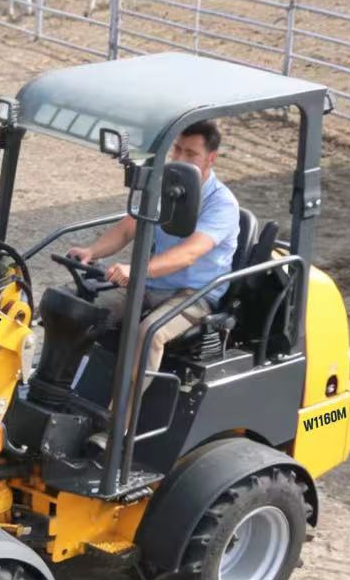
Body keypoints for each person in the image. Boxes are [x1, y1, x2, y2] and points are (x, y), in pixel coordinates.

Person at [65, 119, 241, 392]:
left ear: (211, 158)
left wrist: (135, 271)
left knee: (150, 332)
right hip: (152, 284)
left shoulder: (222, 204)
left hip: (194, 294)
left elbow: (189, 254)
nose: (180, 159)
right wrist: (91, 251)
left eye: (191, 154)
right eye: (177, 150)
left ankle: (120, 421)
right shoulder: (167, 189)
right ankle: (62, 387)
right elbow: (127, 229)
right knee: (83, 307)